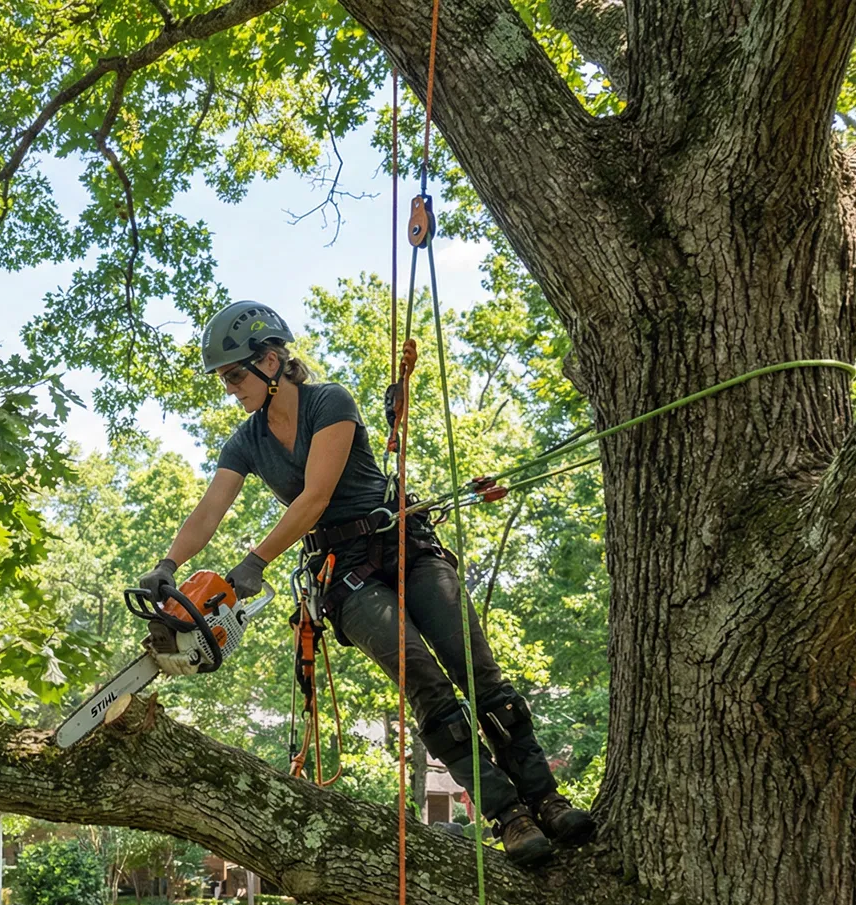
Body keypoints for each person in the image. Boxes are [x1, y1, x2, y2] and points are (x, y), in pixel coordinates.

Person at [138, 300, 594, 866]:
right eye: (226, 379)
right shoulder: (247, 440)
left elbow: (316, 496)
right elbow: (210, 509)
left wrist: (256, 560)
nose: (231, 388)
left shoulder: (330, 401)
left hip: (403, 544)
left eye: (236, 375)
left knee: (475, 670)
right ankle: (510, 815)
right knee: (426, 684)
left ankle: (546, 799)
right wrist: (169, 564)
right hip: (343, 573)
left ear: (273, 360)